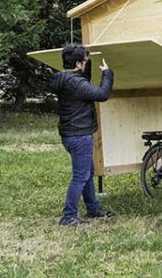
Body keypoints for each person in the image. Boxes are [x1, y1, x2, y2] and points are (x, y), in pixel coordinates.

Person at [49, 43, 115, 226]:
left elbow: (83, 79)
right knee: (81, 176)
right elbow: (102, 94)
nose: (86, 63)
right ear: (78, 63)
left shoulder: (63, 79)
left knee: (87, 172)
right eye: (85, 61)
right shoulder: (77, 85)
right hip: (80, 136)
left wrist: (89, 59)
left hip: (70, 134)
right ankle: (69, 216)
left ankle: (93, 209)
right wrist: (108, 73)